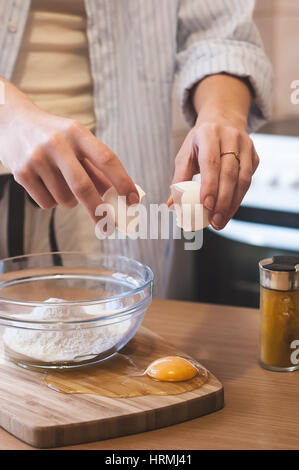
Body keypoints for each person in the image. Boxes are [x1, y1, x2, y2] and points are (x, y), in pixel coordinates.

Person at [0, 0, 272, 297]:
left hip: (100, 191)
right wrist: (9, 117)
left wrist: (222, 113)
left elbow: (221, 35)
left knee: (118, 333)